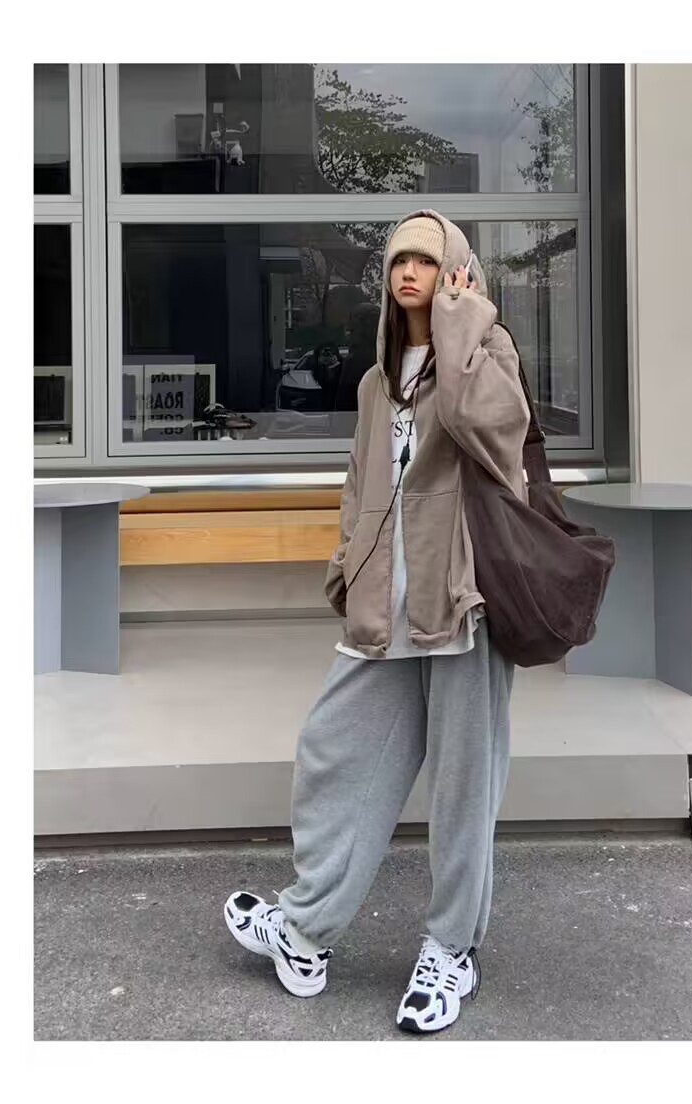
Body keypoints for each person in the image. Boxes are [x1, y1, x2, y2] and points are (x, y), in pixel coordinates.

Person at [224, 211, 531, 1035]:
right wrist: (347, 562)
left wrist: (464, 327)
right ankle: (306, 931)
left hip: (461, 599)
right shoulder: (374, 382)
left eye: (427, 261)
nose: (410, 273)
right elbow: (361, 482)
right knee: (334, 750)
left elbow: (492, 437)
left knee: (464, 786)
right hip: (383, 608)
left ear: (456, 271)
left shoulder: (489, 354)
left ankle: (451, 949)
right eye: (399, 261)